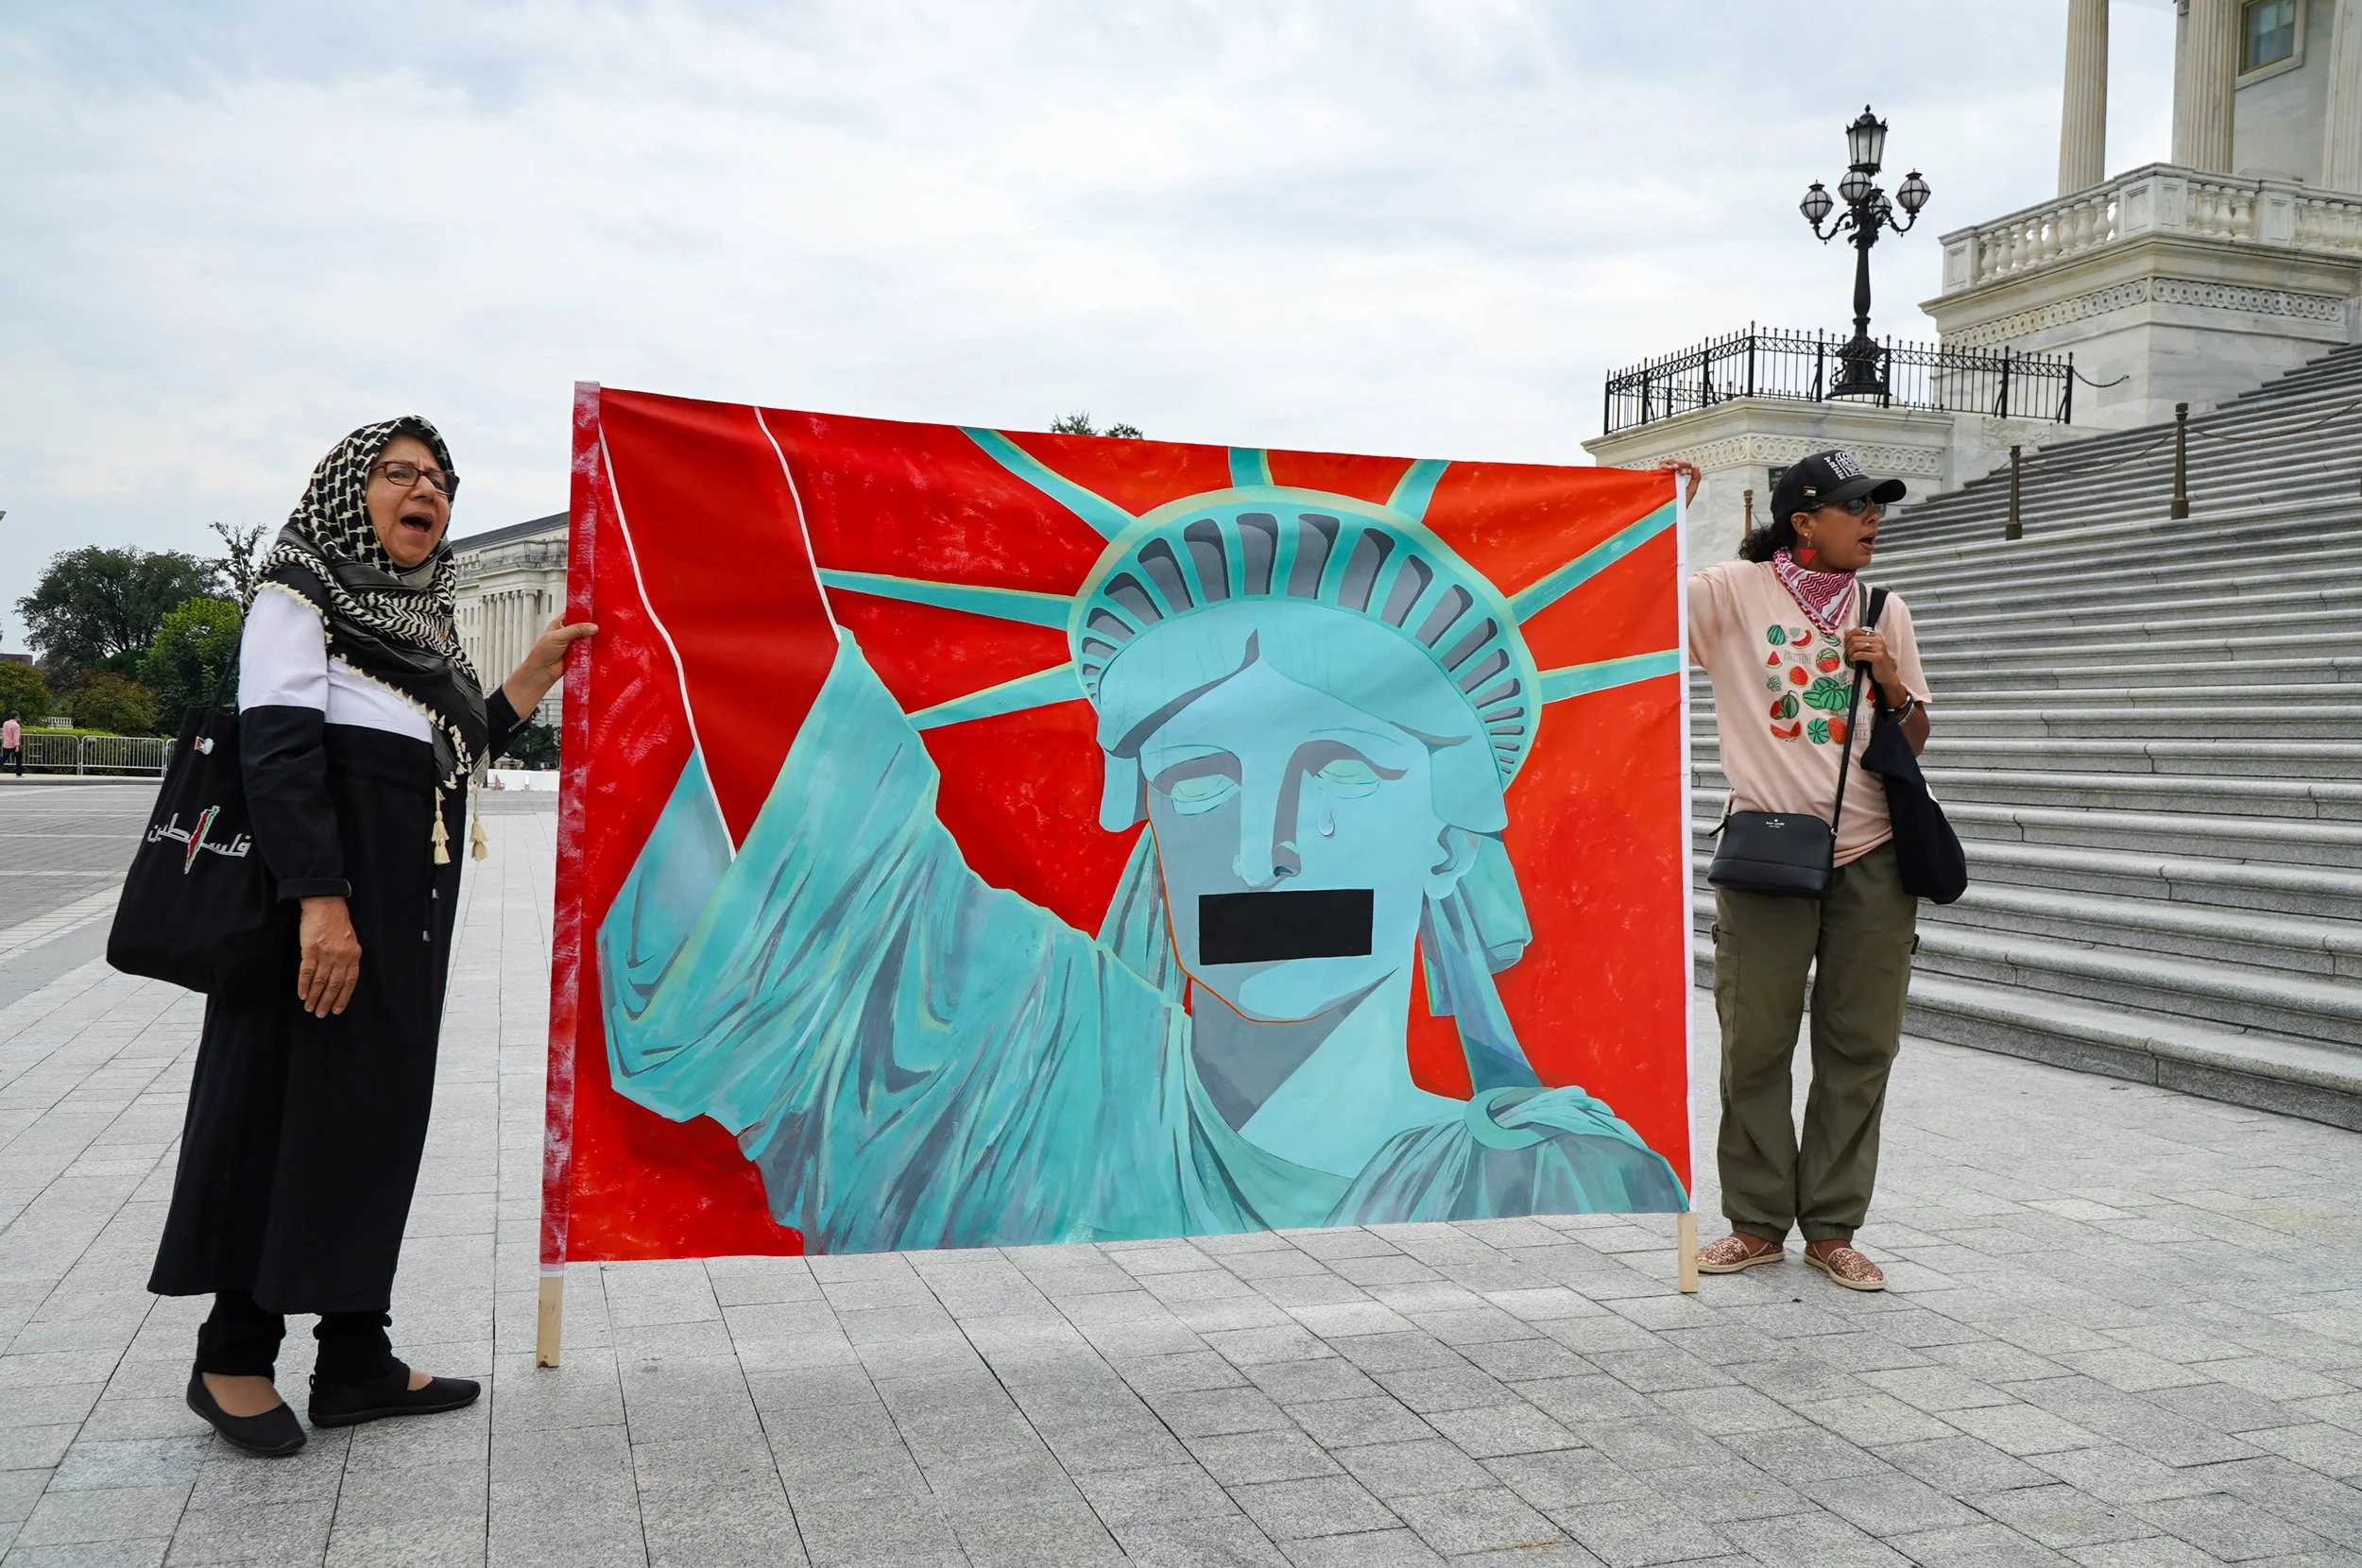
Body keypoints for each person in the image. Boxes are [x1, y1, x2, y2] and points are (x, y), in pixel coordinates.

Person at [598, 446, 1689, 1251]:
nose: (1266, 853)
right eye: (1202, 778)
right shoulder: (1010, 1059)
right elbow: (778, 748)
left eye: (1345, 772)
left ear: (1447, 845)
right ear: (1148, 815)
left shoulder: (1552, 1175)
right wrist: (695, 450)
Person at [149, 418, 594, 1456]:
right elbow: (279, 750)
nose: (423, 490)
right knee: (280, 1116)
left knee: (369, 1126)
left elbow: (449, 742)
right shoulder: (296, 596)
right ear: (353, 490)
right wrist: (321, 901)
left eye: (438, 477)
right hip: (319, 917)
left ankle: (355, 1354)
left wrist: (533, 672)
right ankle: (232, 1353)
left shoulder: (421, 623)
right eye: (399, 472)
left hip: (403, 917)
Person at [1686, 449, 1931, 1292]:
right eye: (1857, 506)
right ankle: (1754, 1222)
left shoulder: (1884, 605)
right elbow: (1636, 610)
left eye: (1877, 506)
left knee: (1860, 1046)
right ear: (1803, 521)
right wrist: (1663, 513)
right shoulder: (1729, 592)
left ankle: (1832, 1227)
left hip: (1874, 856)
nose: (1873, 520)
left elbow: (1915, 736)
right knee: (1754, 1043)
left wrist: (1890, 677)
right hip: (1766, 851)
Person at [1, 712, 20, 777]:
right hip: (14, 745)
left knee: (3, 759)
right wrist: (17, 746)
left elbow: (3, 733)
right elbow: (16, 737)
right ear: (16, 716)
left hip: (6, 743)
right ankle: (19, 773)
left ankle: (19, 773)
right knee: (19, 758)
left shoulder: (5, 723)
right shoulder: (16, 725)